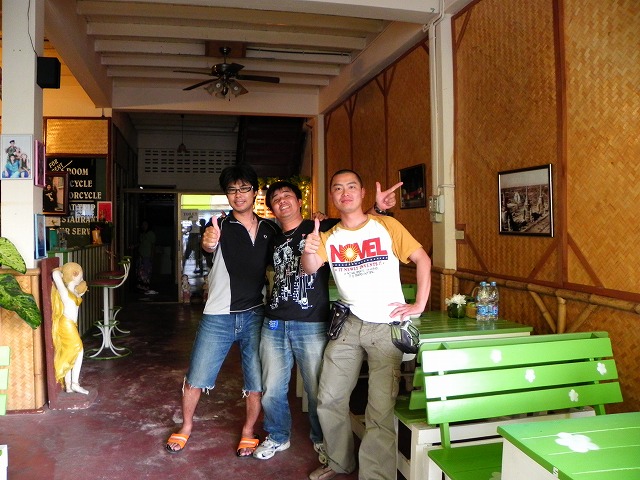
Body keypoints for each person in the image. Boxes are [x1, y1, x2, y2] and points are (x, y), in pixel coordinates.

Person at [253, 180, 402, 462]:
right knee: (272, 388)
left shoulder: (322, 228)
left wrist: (379, 208)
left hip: (312, 323)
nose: (282, 200)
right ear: (271, 208)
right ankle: (278, 436)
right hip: (274, 323)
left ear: (300, 202)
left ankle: (322, 440)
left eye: (287, 195)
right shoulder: (272, 238)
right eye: (275, 198)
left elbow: (358, 221)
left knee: (317, 389)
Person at [302, 169, 432, 480]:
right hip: (348, 324)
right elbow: (309, 268)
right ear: (332, 197)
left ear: (362, 193)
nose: (344, 193)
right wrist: (308, 250)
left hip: (386, 327)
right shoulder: (329, 237)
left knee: (379, 409)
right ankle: (338, 462)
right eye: (337, 188)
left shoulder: (386, 225)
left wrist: (419, 304)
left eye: (351, 187)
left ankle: (375, 476)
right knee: (329, 397)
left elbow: (422, 259)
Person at [165, 163, 280, 456]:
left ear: (255, 192)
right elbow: (208, 245)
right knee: (197, 375)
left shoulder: (269, 229)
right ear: (227, 195)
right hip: (218, 315)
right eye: (232, 190)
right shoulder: (218, 225)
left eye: (244, 188)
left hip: (255, 314)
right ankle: (186, 426)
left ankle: (248, 431)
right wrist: (208, 242)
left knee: (256, 381)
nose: (238, 195)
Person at [51, 262, 89, 395]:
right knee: (79, 349)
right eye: (80, 276)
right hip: (66, 324)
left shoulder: (74, 291)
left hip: (72, 324)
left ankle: (68, 385)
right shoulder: (64, 292)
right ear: (74, 275)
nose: (82, 278)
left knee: (69, 352)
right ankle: (75, 383)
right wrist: (62, 270)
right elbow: (55, 275)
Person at [135, 220, 157, 295]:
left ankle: (146, 287)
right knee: (140, 272)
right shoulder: (142, 234)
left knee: (146, 272)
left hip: (147, 256)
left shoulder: (151, 234)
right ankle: (141, 287)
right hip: (141, 256)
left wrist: (152, 256)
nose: (144, 226)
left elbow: (153, 245)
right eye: (143, 225)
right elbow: (140, 243)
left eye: (145, 224)